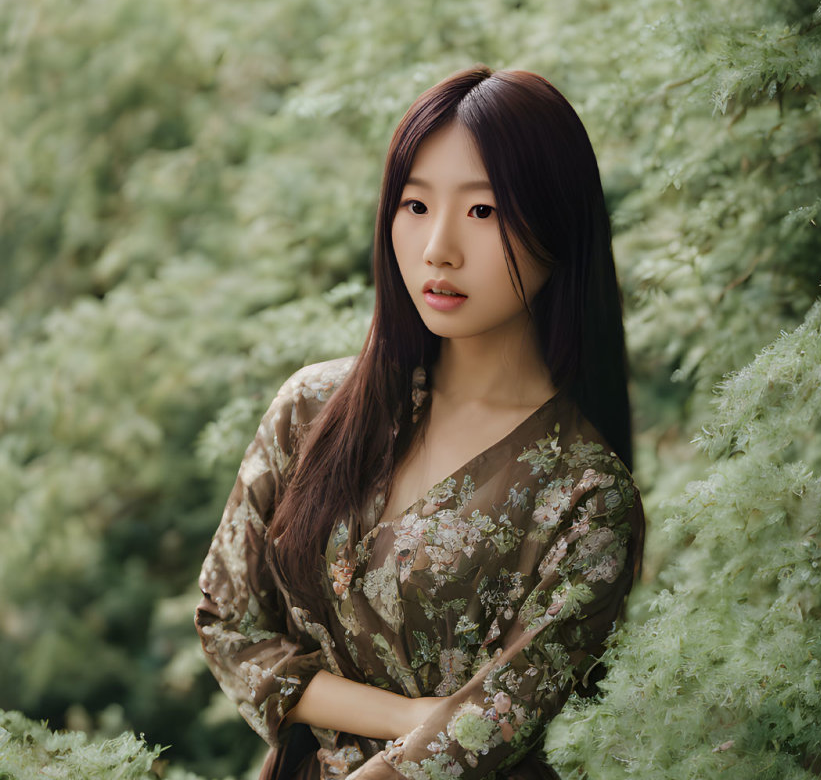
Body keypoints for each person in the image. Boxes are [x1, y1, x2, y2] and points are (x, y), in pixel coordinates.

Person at [195, 65, 645, 780]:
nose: (438, 247)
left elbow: (493, 723)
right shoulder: (312, 407)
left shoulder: (585, 492)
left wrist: (425, 739)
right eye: (414, 206)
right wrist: (409, 717)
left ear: (557, 226)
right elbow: (228, 623)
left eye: (482, 211)